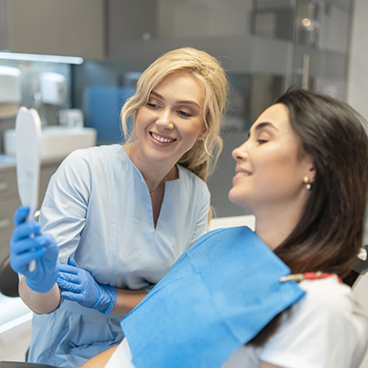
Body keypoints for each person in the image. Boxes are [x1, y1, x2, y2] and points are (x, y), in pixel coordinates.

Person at [82, 89, 368, 368]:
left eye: (263, 139)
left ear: (313, 166)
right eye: (248, 138)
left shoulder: (319, 305)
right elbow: (129, 352)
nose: (238, 151)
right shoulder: (220, 245)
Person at [9, 47, 228, 367]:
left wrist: (106, 298)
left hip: (147, 343)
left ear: (204, 127)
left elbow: (177, 301)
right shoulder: (84, 169)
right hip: (70, 349)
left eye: (183, 112)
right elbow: (42, 303)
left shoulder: (196, 195)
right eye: (153, 104)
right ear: (138, 108)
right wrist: (39, 282)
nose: (164, 121)